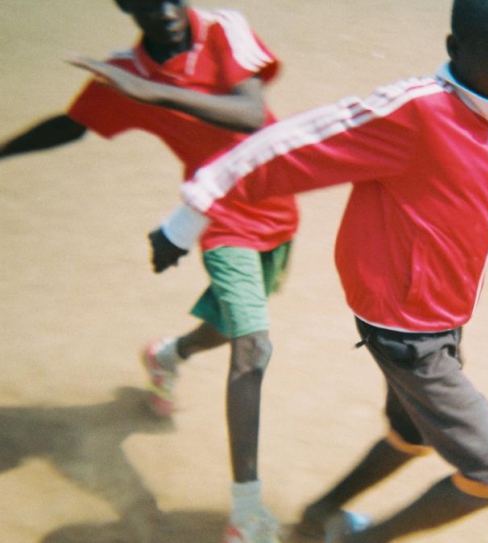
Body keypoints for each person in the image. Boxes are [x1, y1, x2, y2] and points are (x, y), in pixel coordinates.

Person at [152, 0, 488, 541]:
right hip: (404, 333)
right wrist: (186, 220)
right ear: (455, 49)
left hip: (441, 324)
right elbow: (289, 143)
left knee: (411, 433)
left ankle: (321, 514)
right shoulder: (412, 111)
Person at [0, 2, 297, 542]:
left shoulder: (222, 29)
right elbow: (73, 125)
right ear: (123, 4)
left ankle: (168, 355)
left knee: (231, 325)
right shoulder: (125, 73)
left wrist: (150, 94)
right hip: (218, 212)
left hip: (277, 205)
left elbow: (251, 113)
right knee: (253, 346)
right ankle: (246, 511)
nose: (165, 10)